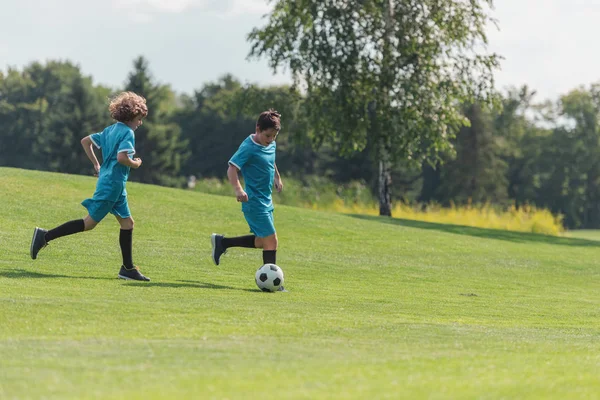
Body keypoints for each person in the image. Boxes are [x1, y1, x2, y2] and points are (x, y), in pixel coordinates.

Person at [30, 91, 150, 281]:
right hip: (112, 185)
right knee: (89, 224)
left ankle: (127, 269)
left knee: (128, 223)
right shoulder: (127, 132)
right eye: (139, 118)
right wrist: (135, 163)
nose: (140, 122)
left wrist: (96, 164)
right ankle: (44, 236)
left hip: (114, 184)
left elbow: (85, 142)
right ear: (131, 115)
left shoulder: (110, 130)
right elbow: (122, 158)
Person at [211, 109, 285, 290]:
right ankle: (273, 285)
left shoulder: (270, 144)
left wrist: (277, 176)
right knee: (272, 241)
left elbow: (271, 158)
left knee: (262, 241)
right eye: (268, 135)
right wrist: (238, 190)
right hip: (253, 202)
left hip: (266, 200)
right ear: (258, 128)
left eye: (274, 136)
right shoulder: (249, 147)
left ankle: (223, 242)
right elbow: (231, 168)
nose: (271, 140)